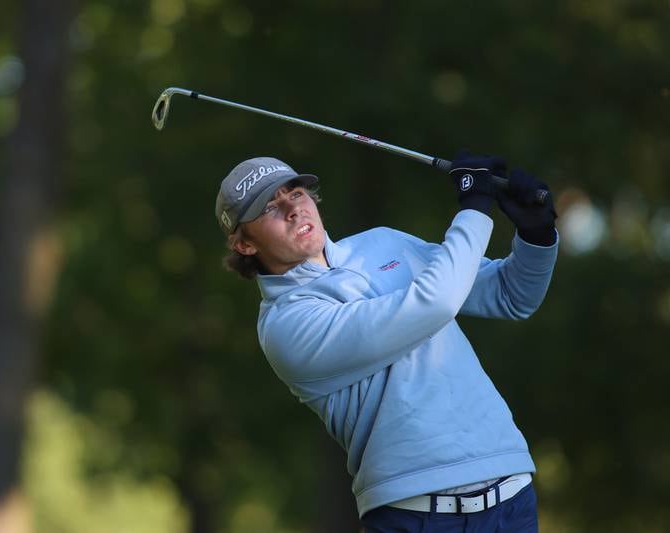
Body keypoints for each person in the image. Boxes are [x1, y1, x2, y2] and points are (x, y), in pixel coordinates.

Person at [214, 153, 558, 532]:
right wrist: (475, 210)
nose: (291, 210)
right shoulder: (285, 324)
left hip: (511, 493)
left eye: (294, 193)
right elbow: (432, 304)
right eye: (268, 207)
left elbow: (512, 294)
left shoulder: (383, 243)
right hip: (414, 514)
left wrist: (535, 237)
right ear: (244, 244)